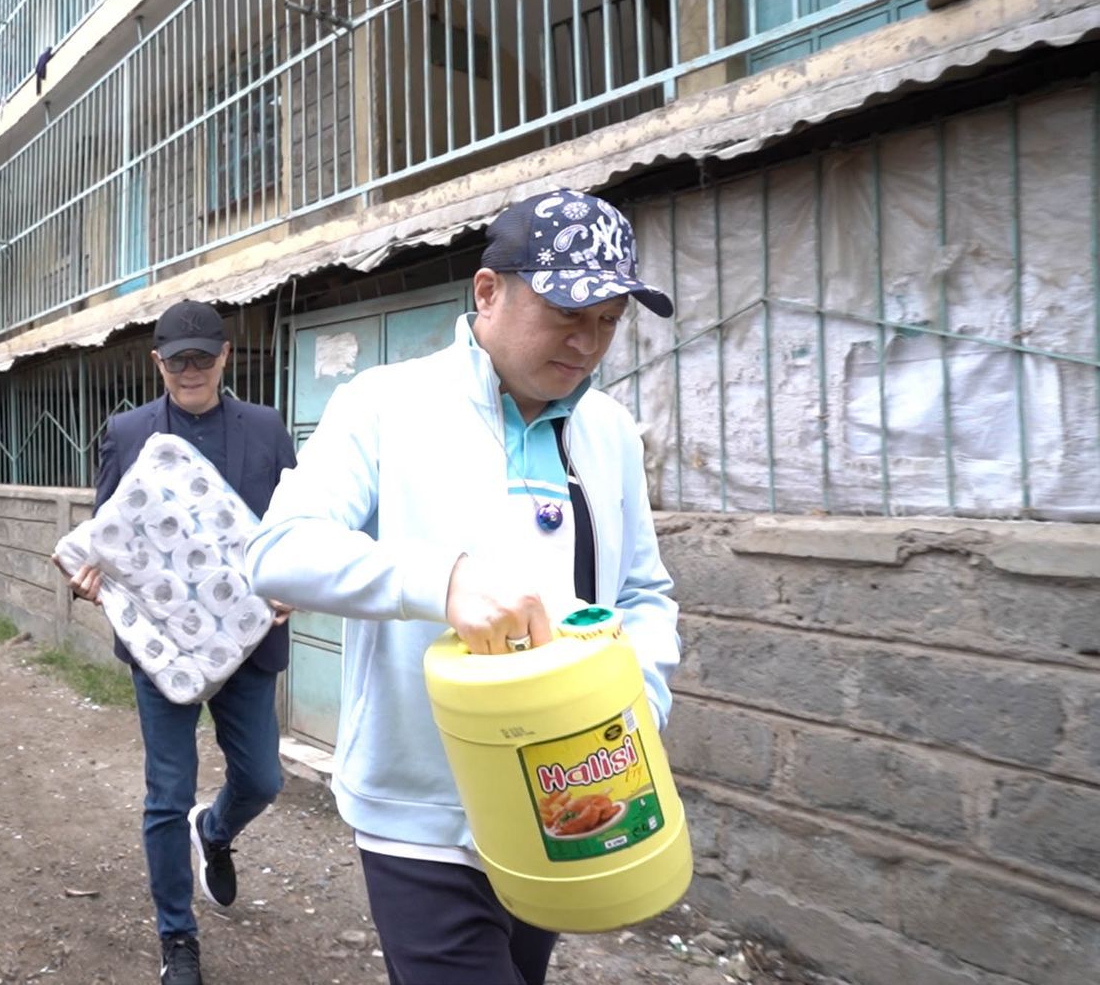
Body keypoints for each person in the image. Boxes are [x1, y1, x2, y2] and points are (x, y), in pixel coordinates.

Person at [244, 190, 683, 985]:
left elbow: (644, 593)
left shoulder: (610, 433)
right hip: (422, 813)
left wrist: (640, 700)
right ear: (487, 291)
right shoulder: (384, 404)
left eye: (608, 321)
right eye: (565, 312)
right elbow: (278, 551)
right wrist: (440, 579)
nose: (587, 343)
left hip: (563, 798)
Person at [68, 300, 298, 985]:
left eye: (202, 358)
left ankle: (215, 831)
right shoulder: (128, 432)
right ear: (157, 363)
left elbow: (297, 526)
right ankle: (177, 938)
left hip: (247, 641)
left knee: (261, 779)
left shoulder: (266, 428)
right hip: (164, 648)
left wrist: (293, 580)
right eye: (177, 361)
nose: (190, 371)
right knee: (167, 794)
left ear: (225, 356)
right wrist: (92, 579)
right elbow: (107, 536)